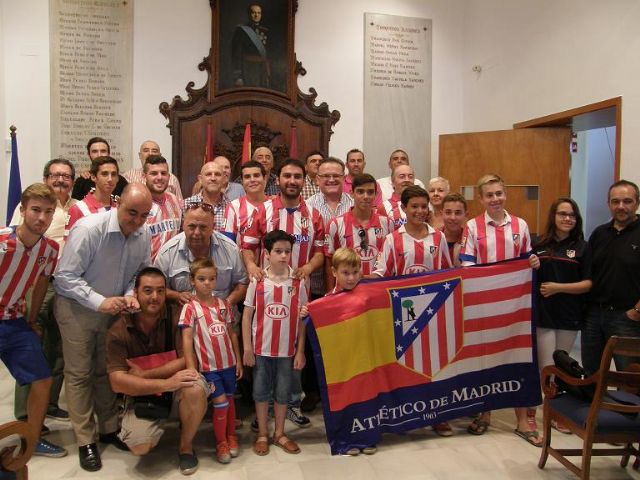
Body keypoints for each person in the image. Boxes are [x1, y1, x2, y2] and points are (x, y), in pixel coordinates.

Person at [54, 183, 153, 471]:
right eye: (132, 213)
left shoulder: (142, 233)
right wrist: (99, 301)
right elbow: (65, 278)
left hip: (113, 311)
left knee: (105, 371)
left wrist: (130, 296)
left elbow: (139, 272)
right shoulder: (89, 229)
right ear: (117, 202)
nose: (136, 221)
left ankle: (109, 429)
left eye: (144, 216)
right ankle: (86, 439)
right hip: (77, 310)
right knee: (79, 374)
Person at [459, 173, 542, 447]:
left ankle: (521, 420)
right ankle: (485, 414)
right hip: (484, 306)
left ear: (505, 194)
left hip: (516, 306)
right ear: (481, 198)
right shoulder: (472, 227)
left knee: (518, 357)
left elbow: (526, 259)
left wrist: (532, 263)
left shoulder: (520, 224)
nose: (495, 199)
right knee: (485, 358)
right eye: (489, 195)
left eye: (499, 194)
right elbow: (467, 265)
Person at [241, 158, 324, 428]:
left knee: (294, 351)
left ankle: (292, 404)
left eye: (297, 176)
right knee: (265, 350)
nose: (292, 181)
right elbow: (247, 245)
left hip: (298, 292)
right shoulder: (263, 210)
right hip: (267, 293)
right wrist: (252, 265)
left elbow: (322, 252)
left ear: (304, 181)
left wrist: (309, 266)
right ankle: (262, 409)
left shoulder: (313, 214)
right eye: (287, 176)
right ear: (278, 180)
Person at [106, 267, 208, 475]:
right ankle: (150, 423)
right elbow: (118, 382)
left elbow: (190, 360)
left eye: (160, 291)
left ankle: (186, 447)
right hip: (144, 395)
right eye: (148, 291)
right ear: (135, 293)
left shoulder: (178, 316)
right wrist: (166, 382)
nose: (155, 297)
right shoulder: (118, 329)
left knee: (196, 387)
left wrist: (144, 375)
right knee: (140, 446)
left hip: (176, 386)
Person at [0, 183, 67, 458]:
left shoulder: (50, 249)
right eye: (36, 210)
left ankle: (32, 437)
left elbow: (40, 285)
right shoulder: (3, 242)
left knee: (42, 380)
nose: (41, 218)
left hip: (15, 322)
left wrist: (31, 319)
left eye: (48, 212)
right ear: (23, 210)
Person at [9, 159, 77, 428]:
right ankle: (25, 414)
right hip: (28, 288)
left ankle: (46, 407)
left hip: (62, 283)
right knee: (31, 349)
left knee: (55, 350)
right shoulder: (23, 215)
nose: (61, 180)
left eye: (66, 176)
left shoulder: (77, 207)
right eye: (55, 175)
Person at [301, 247, 378, 455]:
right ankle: (347, 438)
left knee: (366, 397)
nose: (351, 278)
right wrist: (308, 312)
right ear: (334, 272)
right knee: (344, 399)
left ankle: (367, 437)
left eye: (355, 272)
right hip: (341, 363)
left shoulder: (367, 295)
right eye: (345, 273)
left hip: (364, 359)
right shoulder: (327, 301)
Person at [242, 230, 308, 456]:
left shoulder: (298, 282)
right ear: (267, 254)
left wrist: (300, 351)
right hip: (261, 350)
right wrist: (247, 348)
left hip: (287, 351)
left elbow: (302, 320)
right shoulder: (258, 281)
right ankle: (262, 433)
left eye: (287, 251)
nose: (283, 256)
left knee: (283, 393)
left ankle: (279, 433)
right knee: (260, 393)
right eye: (278, 251)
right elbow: (246, 316)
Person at [532, 197, 592, 433]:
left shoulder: (583, 247)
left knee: (563, 364)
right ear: (553, 217)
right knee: (547, 366)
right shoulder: (539, 244)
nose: (567, 218)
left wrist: (558, 287)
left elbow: (588, 283)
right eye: (562, 214)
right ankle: (550, 410)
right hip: (544, 315)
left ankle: (561, 412)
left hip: (569, 315)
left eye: (572, 215)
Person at [179, 258, 243, 464]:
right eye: (202, 279)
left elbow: (232, 335)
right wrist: (191, 367)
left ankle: (231, 436)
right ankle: (220, 442)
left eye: (212, 279)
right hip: (209, 369)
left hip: (229, 365)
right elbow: (187, 340)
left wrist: (239, 361)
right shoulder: (190, 308)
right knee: (221, 404)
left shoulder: (224, 305)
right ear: (192, 281)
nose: (207, 283)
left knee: (231, 402)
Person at [304, 157, 354, 411]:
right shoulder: (308, 208)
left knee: (346, 341)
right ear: (317, 180)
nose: (331, 180)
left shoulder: (356, 205)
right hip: (316, 286)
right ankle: (313, 390)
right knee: (315, 339)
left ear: (344, 177)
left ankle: (344, 391)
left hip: (351, 288)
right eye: (326, 176)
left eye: (336, 175)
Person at [582, 179, 640, 375]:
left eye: (627, 201)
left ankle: (624, 407)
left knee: (628, 377)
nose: (621, 206)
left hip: (628, 318)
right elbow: (588, 272)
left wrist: (637, 311)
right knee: (592, 374)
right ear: (608, 204)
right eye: (615, 201)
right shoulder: (599, 234)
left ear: (637, 203)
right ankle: (594, 406)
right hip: (594, 317)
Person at [154, 202, 248, 321]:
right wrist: (176, 296)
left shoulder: (230, 249)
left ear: (213, 227)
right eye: (192, 226)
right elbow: (156, 288)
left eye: (203, 227)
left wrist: (226, 304)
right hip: (185, 321)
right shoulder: (167, 253)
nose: (197, 233)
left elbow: (243, 283)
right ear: (183, 225)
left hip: (223, 320)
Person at [325, 173, 394, 290]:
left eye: (370, 192)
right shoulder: (335, 224)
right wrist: (330, 292)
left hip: (378, 291)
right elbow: (329, 261)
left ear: (376, 195)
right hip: (345, 293)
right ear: (351, 193)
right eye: (360, 192)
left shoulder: (388, 223)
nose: (366, 196)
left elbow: (391, 261)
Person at [373, 185, 451, 276]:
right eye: (414, 206)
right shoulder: (391, 240)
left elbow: (448, 272)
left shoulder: (439, 237)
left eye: (424, 206)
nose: (420, 211)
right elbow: (380, 274)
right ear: (403, 208)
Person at [65, 156, 119, 237]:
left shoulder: (119, 208)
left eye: (114, 174)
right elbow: (69, 244)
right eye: (104, 174)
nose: (110, 179)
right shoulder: (78, 209)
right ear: (93, 177)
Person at [144, 155, 183, 261]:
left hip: (173, 268)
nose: (160, 177)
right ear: (144, 176)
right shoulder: (139, 203)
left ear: (169, 177)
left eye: (163, 173)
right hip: (147, 271)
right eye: (154, 173)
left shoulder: (176, 201)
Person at [223, 160, 267, 243]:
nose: (252, 180)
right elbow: (227, 243)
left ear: (264, 178)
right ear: (242, 181)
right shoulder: (233, 207)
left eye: (256, 175)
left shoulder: (274, 205)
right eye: (247, 177)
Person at [184, 161, 230, 232]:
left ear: (223, 179)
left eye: (217, 174)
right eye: (208, 174)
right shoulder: (186, 204)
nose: (213, 178)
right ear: (200, 179)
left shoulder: (232, 207)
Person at [232, 4, 270, 88]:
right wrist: (238, 76)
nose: (256, 15)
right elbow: (236, 54)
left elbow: (269, 53)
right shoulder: (241, 30)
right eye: (253, 12)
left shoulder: (265, 30)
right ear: (249, 14)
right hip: (248, 68)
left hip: (262, 69)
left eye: (259, 13)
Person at [377, 164, 416, 230]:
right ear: (392, 182)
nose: (407, 180)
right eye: (402, 177)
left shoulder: (423, 204)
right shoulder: (384, 207)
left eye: (410, 177)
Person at [441, 193, 467, 267]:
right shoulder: (432, 238)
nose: (453, 217)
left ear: (466, 214)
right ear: (441, 213)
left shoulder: (470, 240)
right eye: (448, 212)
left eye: (458, 213)